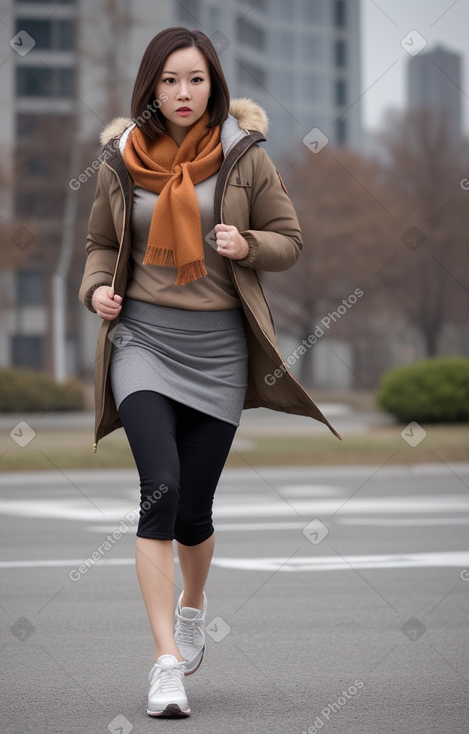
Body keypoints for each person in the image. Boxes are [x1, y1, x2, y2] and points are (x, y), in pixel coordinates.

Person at [79, 26, 340, 719]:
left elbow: (289, 240)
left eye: (194, 79)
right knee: (158, 492)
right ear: (150, 88)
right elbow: (101, 244)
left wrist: (245, 241)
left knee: (193, 511)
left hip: (218, 353)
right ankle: (166, 662)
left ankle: (193, 606)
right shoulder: (119, 158)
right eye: (168, 81)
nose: (182, 93)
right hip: (142, 344)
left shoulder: (244, 157)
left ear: (213, 83)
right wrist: (96, 290)